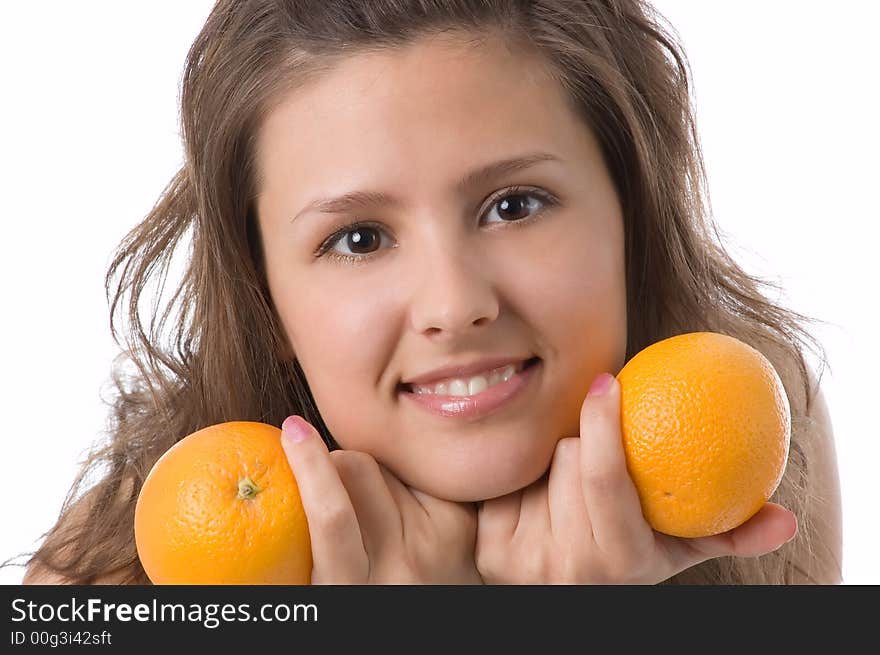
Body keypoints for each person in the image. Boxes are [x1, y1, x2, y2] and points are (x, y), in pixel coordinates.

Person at [16, 0, 841, 585]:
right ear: (266, 302)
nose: (454, 305)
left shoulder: (753, 430)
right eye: (359, 239)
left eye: (513, 206)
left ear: (632, 217)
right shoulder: (118, 574)